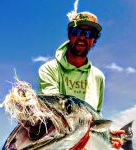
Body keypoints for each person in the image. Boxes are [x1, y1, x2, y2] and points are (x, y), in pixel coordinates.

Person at [38, 11, 124, 149]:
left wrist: (106, 134)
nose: (83, 37)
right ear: (70, 34)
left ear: (94, 40)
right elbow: (54, 114)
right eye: (78, 31)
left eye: (90, 34)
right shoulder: (49, 69)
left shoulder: (98, 76)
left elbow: (97, 116)